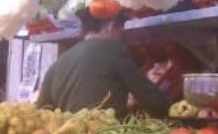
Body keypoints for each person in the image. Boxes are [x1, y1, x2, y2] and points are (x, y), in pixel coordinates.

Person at [36, 9, 170, 118]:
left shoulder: (57, 64)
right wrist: (168, 111)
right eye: (121, 31)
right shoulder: (112, 48)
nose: (121, 37)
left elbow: (41, 113)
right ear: (111, 26)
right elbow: (149, 97)